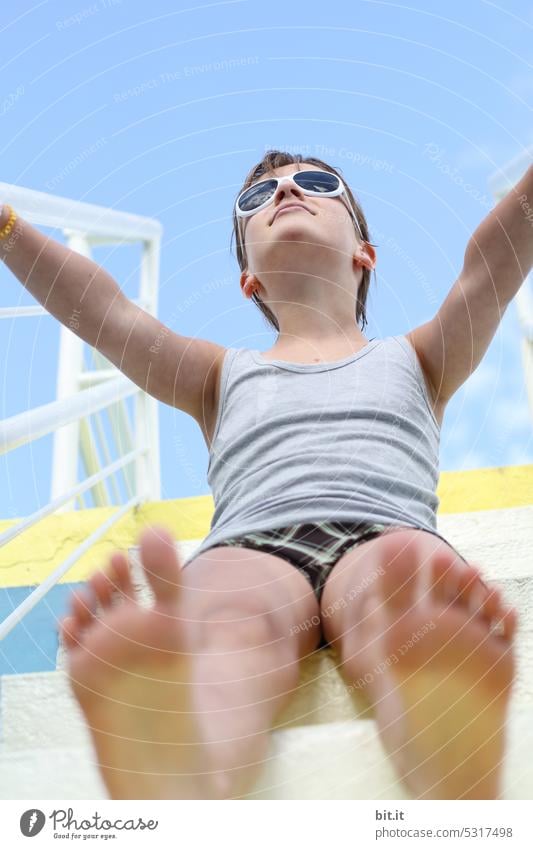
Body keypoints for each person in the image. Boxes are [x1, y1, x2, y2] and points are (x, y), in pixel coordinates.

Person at [1, 150, 531, 800]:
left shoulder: (420, 356)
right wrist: (7, 228)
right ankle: (187, 750)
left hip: (386, 538)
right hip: (252, 545)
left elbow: (489, 269)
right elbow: (107, 314)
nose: (284, 192)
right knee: (228, 619)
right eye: (256, 198)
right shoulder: (215, 374)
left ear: (363, 252)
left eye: (315, 183)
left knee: (392, 599)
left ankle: (443, 722)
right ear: (248, 278)